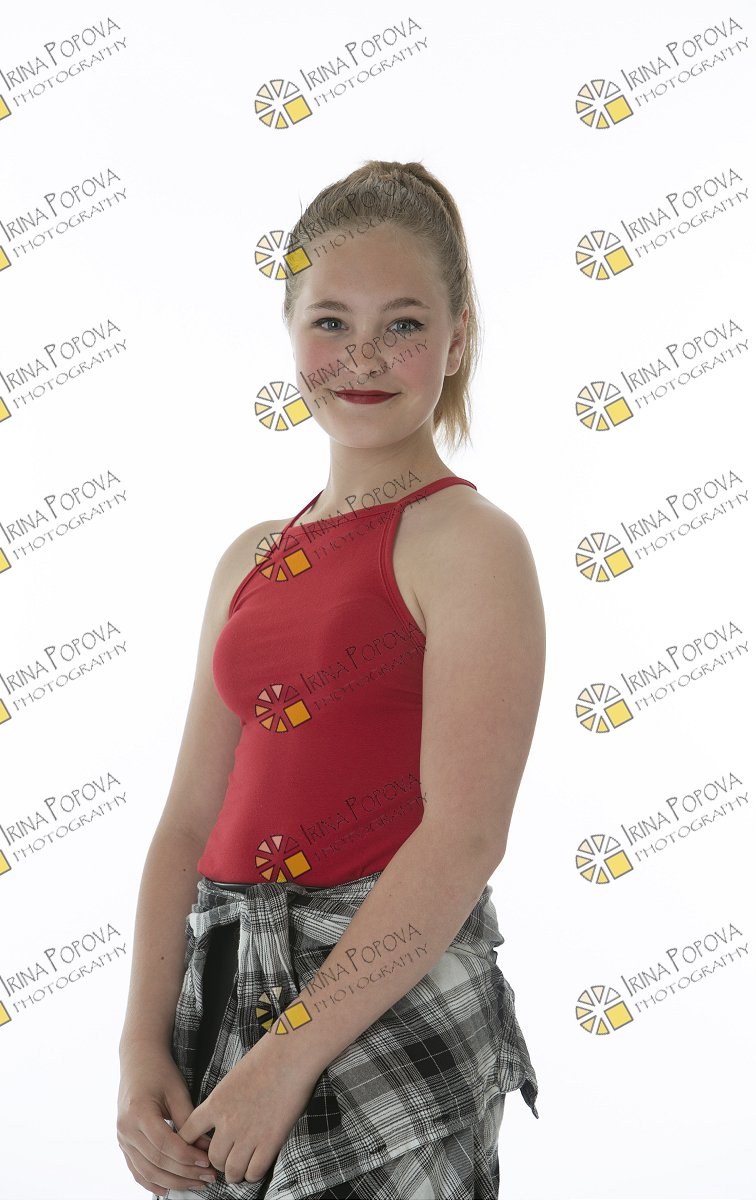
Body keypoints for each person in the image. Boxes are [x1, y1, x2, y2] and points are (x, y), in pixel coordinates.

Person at [117, 159, 545, 1200]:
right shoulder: (252, 556)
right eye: (329, 322)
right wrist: (139, 1048)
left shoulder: (468, 543)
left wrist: (287, 1058)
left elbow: (463, 837)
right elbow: (186, 822)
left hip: (378, 989)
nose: (362, 355)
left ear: (457, 340)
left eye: (404, 324)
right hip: (223, 981)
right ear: (290, 334)